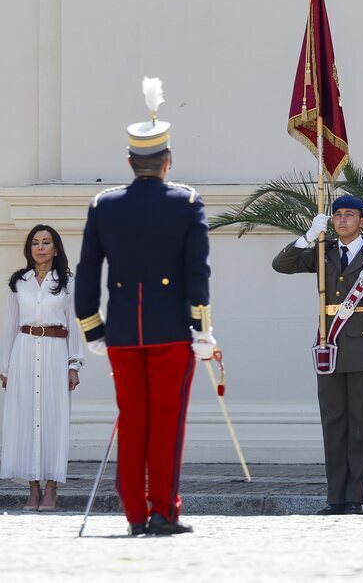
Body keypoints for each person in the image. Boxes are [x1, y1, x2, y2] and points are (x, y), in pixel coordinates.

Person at [75, 78, 215, 536]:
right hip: (173, 330)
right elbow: (198, 272)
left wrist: (92, 329)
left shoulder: (103, 205)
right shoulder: (186, 202)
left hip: (121, 334)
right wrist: (202, 327)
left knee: (131, 422)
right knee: (166, 424)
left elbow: (88, 270)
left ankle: (135, 514)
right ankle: (163, 511)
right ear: (167, 160)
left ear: (131, 162)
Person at [272, 194, 363, 515]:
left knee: (361, 427)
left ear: (362, 221)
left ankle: (354, 498)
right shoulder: (323, 252)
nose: (342, 220)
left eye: (349, 215)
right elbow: (281, 265)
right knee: (333, 425)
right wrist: (310, 235)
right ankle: (335, 498)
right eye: (338, 214)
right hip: (329, 350)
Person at [1, 225, 83, 511]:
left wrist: (74, 364)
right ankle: (33, 490)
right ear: (29, 249)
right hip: (23, 352)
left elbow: (74, 324)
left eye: (46, 242)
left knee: (53, 419)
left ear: (55, 248)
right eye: (35, 242)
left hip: (55, 353)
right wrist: (5, 366)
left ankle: (51, 488)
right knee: (25, 418)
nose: (40, 247)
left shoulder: (67, 283)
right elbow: (10, 326)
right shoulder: (19, 282)